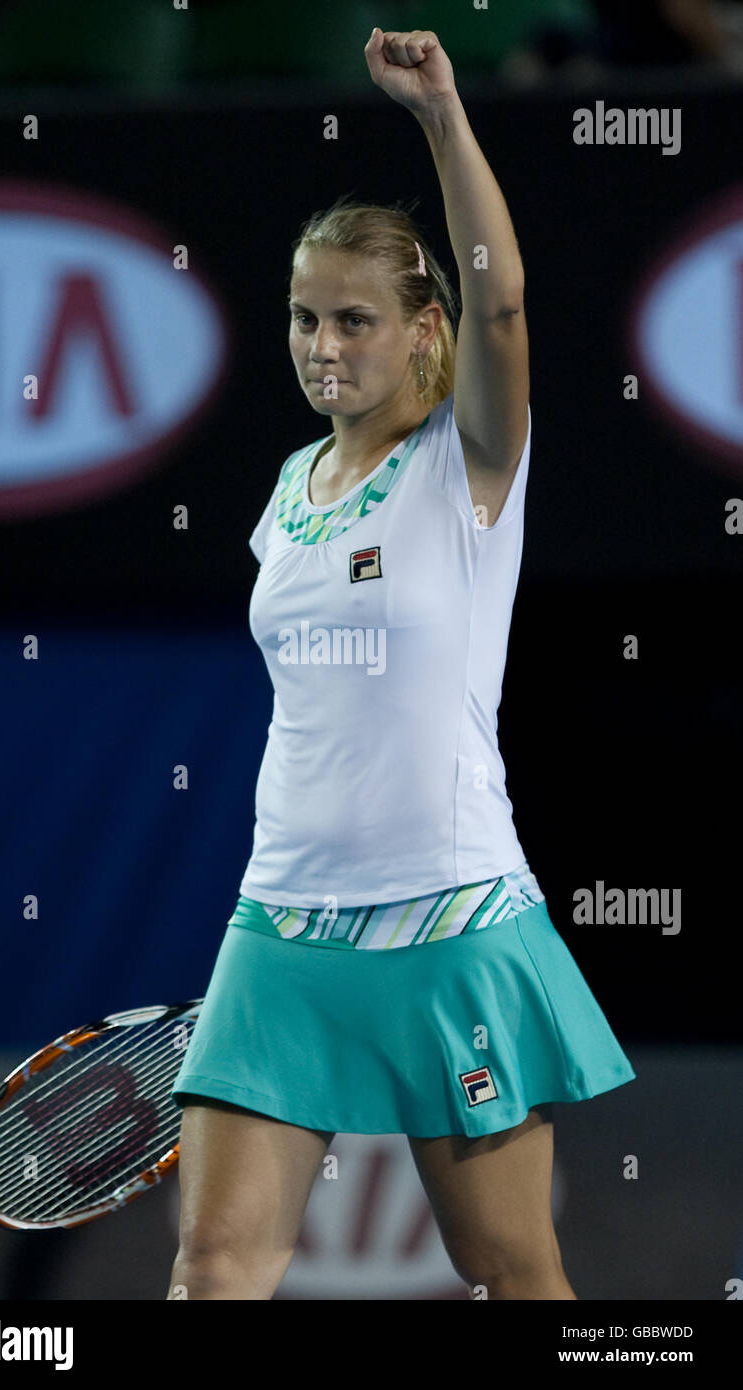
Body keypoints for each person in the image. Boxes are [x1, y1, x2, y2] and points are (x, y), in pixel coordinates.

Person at [167, 27, 635, 1302]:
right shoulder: (284, 487)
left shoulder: (471, 463)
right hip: (283, 923)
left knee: (511, 1273)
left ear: (421, 328)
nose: (323, 345)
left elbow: (504, 300)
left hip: (449, 916)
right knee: (212, 1269)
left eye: (355, 321)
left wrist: (439, 118)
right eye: (304, 319)